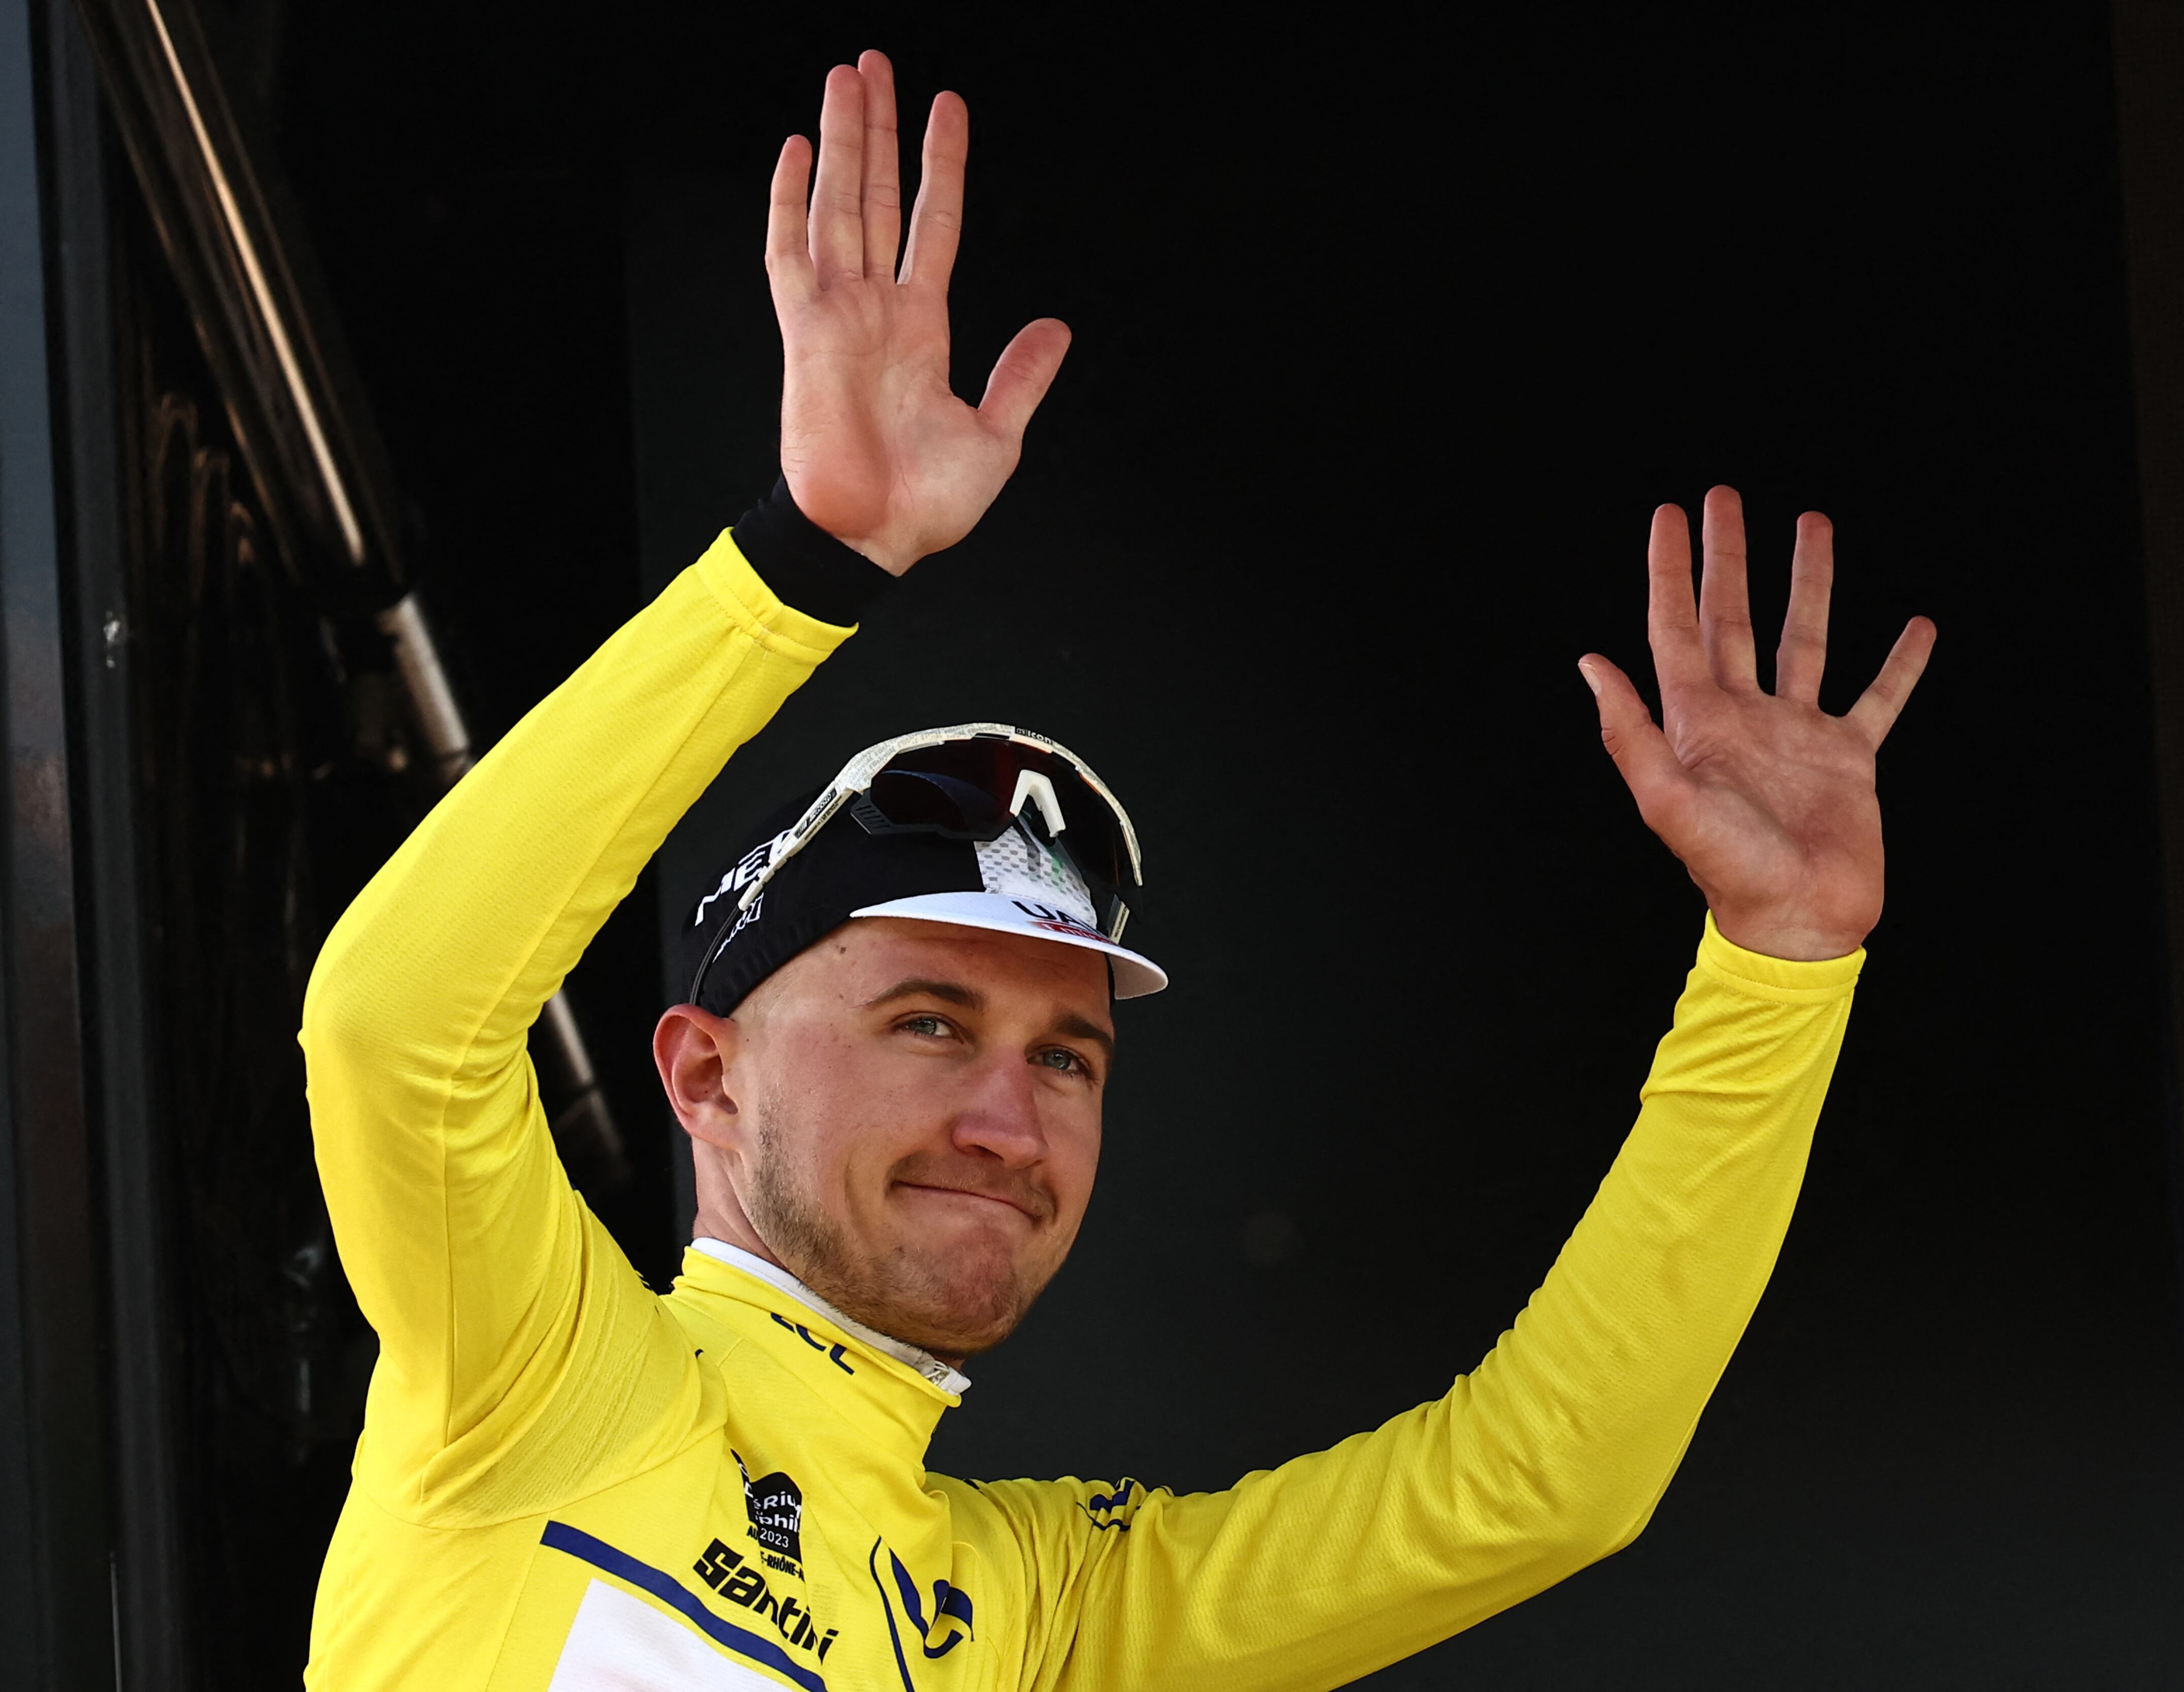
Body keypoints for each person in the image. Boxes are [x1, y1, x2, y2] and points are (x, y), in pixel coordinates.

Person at [299, 51, 1934, 1691]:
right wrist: (800, 567)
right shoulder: (546, 1379)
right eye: (931, 1022)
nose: (1011, 1124)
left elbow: (1536, 1487)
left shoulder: (1029, 1610)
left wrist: (1777, 972)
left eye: (1064, 1056)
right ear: (704, 1072)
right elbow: (396, 1024)